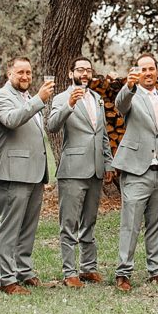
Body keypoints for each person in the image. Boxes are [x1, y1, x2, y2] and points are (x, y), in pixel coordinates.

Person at [112, 53, 158, 291]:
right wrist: (129, 86)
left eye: (151, 68)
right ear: (137, 73)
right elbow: (119, 105)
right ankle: (123, 272)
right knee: (130, 223)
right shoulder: (130, 97)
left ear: (157, 71)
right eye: (143, 69)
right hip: (135, 170)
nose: (148, 73)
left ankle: (156, 270)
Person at [0, 56, 55, 295]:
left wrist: (35, 99)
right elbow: (12, 120)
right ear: (9, 74)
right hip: (13, 173)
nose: (26, 77)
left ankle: (24, 271)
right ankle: (7, 279)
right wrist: (40, 99)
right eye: (20, 73)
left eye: (28, 72)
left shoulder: (28, 98)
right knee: (10, 228)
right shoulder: (2, 97)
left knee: (28, 227)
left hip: (35, 173)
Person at [47, 56, 114, 287]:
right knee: (69, 222)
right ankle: (70, 272)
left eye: (88, 70)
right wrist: (70, 105)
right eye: (80, 70)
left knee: (90, 220)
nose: (84, 74)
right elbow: (52, 125)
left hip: (96, 169)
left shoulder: (97, 98)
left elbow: (102, 134)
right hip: (73, 170)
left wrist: (108, 163)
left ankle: (88, 267)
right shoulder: (61, 98)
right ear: (70, 73)